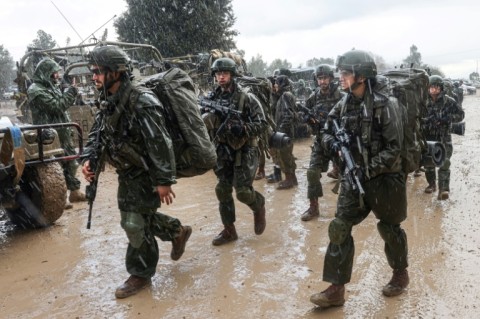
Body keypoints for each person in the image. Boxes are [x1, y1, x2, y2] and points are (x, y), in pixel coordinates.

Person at [81, 45, 192, 299]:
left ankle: (141, 273)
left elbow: (160, 143)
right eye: (92, 72)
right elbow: (97, 136)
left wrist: (164, 180)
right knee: (137, 219)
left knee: (133, 222)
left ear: (116, 72)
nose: (94, 77)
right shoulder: (108, 100)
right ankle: (176, 231)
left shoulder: (142, 100)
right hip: (127, 173)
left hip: (145, 172)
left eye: (98, 71)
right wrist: (89, 160)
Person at [310, 50, 409, 308]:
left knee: (389, 229)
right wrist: (332, 143)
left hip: (385, 179)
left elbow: (394, 148)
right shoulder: (343, 103)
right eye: (340, 72)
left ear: (361, 76)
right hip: (354, 177)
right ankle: (336, 289)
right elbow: (326, 129)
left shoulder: (386, 105)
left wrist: (367, 169)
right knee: (340, 227)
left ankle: (400, 274)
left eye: (346, 73)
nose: (340, 77)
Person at [204, 57, 268, 245]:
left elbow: (262, 123)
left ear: (232, 75)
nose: (221, 77)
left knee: (242, 192)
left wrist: (243, 129)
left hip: (244, 149)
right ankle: (229, 230)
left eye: (224, 73)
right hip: (222, 150)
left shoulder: (246, 97)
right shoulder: (212, 97)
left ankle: (258, 205)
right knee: (222, 190)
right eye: (218, 73)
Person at [27, 57, 86, 209]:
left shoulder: (51, 86)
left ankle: (75, 191)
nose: (57, 76)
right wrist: (71, 91)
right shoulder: (36, 90)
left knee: (71, 162)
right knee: (56, 167)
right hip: (50, 135)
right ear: (46, 73)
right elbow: (57, 106)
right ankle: (62, 197)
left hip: (63, 132)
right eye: (55, 73)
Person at [301, 64, 344, 221]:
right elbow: (302, 113)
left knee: (348, 175)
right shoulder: (314, 97)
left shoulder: (340, 95)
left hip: (338, 141)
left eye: (325, 78)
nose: (322, 81)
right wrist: (307, 119)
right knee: (312, 173)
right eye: (320, 78)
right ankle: (313, 208)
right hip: (320, 140)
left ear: (331, 79)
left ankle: (346, 207)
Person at [422, 75, 464, 200]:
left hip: (444, 137)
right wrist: (426, 121)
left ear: (441, 88)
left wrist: (447, 119)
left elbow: (461, 115)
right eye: (431, 87)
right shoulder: (424, 101)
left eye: (435, 87)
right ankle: (431, 184)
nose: (433, 90)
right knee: (428, 164)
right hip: (428, 137)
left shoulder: (448, 101)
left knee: (445, 163)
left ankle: (443, 189)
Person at [267, 75, 298, 189]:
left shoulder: (285, 95)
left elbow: (288, 115)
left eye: (277, 84)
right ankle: (292, 179)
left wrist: (280, 131)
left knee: (284, 155)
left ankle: (289, 180)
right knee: (286, 155)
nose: (275, 85)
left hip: (285, 131)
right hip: (284, 130)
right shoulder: (282, 95)